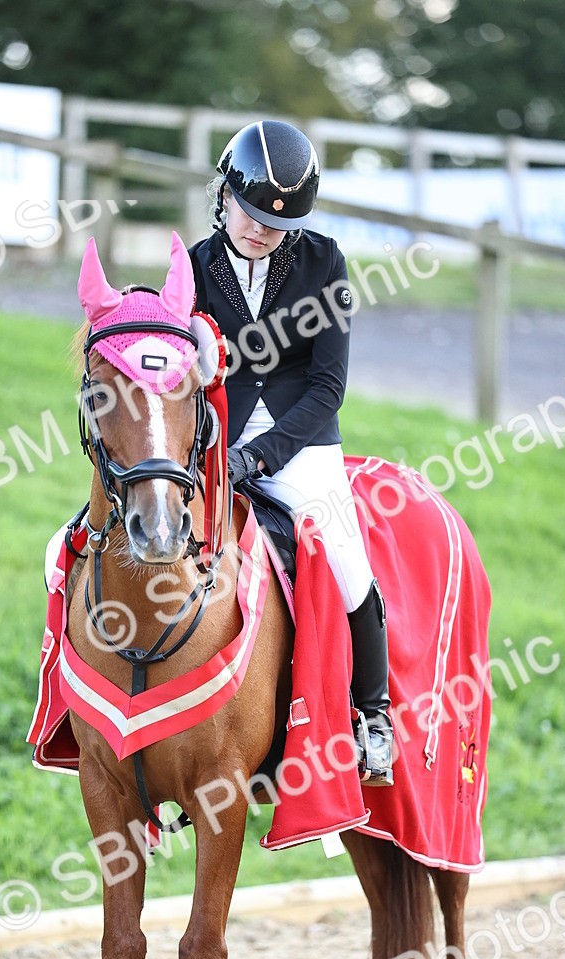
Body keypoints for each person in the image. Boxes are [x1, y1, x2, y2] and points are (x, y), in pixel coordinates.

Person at [189, 119, 394, 785]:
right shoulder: (192, 266)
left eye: (275, 226)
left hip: (301, 442)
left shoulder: (324, 261)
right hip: (218, 434)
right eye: (248, 216)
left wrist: (263, 457)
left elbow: (328, 386)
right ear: (224, 197)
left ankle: (373, 719)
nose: (258, 231)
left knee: (346, 559)